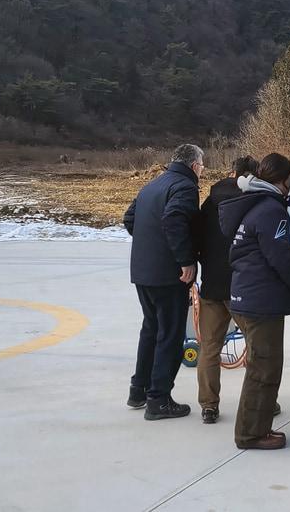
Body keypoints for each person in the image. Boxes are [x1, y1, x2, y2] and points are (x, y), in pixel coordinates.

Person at [217, 153, 290, 450]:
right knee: (264, 369)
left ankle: (256, 425)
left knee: (262, 366)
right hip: (261, 301)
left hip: (248, 295)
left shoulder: (254, 204)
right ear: (282, 180)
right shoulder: (271, 211)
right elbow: (280, 258)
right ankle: (251, 434)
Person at [124, 144, 203, 420]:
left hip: (143, 271)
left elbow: (130, 218)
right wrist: (185, 260)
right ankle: (159, 398)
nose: (202, 173)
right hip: (168, 274)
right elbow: (173, 219)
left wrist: (150, 245)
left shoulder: (152, 185)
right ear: (194, 166)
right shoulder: (184, 187)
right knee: (170, 334)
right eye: (202, 167)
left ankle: (139, 389)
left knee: (151, 329)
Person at [191, 155, 258, 424]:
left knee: (209, 348)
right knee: (256, 346)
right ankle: (259, 401)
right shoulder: (250, 202)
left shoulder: (209, 202)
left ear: (230, 171)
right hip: (241, 287)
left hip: (211, 285)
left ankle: (208, 406)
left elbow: (195, 237)